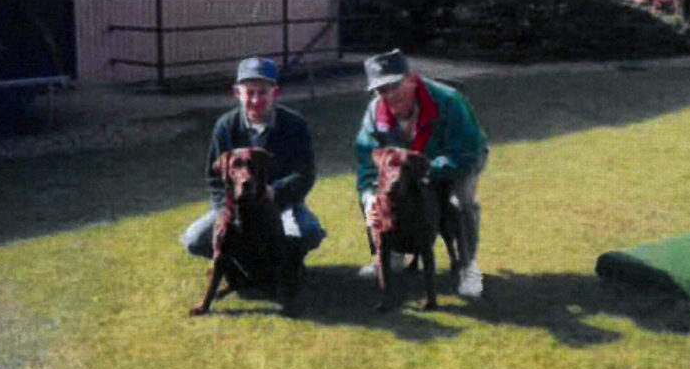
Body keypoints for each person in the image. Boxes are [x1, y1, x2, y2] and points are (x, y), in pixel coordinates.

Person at [354, 49, 488, 298]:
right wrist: (370, 198)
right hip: (409, 168)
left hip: (456, 162)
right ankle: (389, 254)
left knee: (460, 203)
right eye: (381, 90)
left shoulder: (449, 100)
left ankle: (468, 266)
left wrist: (424, 171)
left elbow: (467, 153)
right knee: (377, 197)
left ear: (412, 78)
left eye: (395, 85)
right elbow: (366, 163)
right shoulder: (374, 114)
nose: (390, 95)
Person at [180, 56, 324, 268]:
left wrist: (275, 191)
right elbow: (214, 178)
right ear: (237, 93)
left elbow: (305, 174)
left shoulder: (294, 124)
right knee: (194, 239)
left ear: (275, 92)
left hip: (280, 203)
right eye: (250, 93)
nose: (256, 100)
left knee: (307, 232)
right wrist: (225, 212)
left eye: (263, 92)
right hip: (237, 207)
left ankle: (288, 266)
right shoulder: (226, 126)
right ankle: (239, 267)